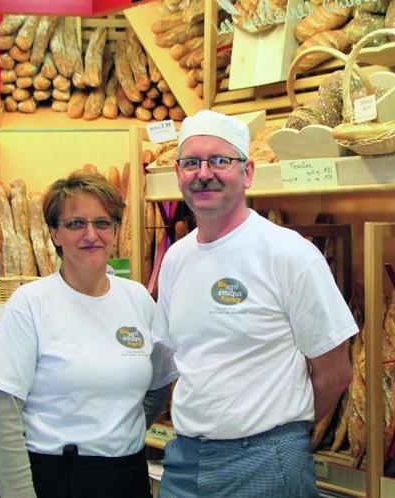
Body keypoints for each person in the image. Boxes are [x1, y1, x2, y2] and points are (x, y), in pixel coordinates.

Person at [153, 110, 358, 497]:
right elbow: (181, 361)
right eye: (191, 162)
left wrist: (282, 432)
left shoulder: (289, 254)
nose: (204, 172)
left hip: (267, 461)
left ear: (247, 172)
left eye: (219, 161)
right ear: (178, 173)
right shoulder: (176, 259)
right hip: (186, 461)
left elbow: (335, 371)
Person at [0, 171, 176, 498]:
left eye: (102, 223)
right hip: (55, 478)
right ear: (55, 233)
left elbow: (159, 383)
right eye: (75, 224)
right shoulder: (29, 304)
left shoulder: (137, 298)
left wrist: (120, 433)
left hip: (126, 476)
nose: (91, 234)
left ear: (115, 230)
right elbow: (2, 413)